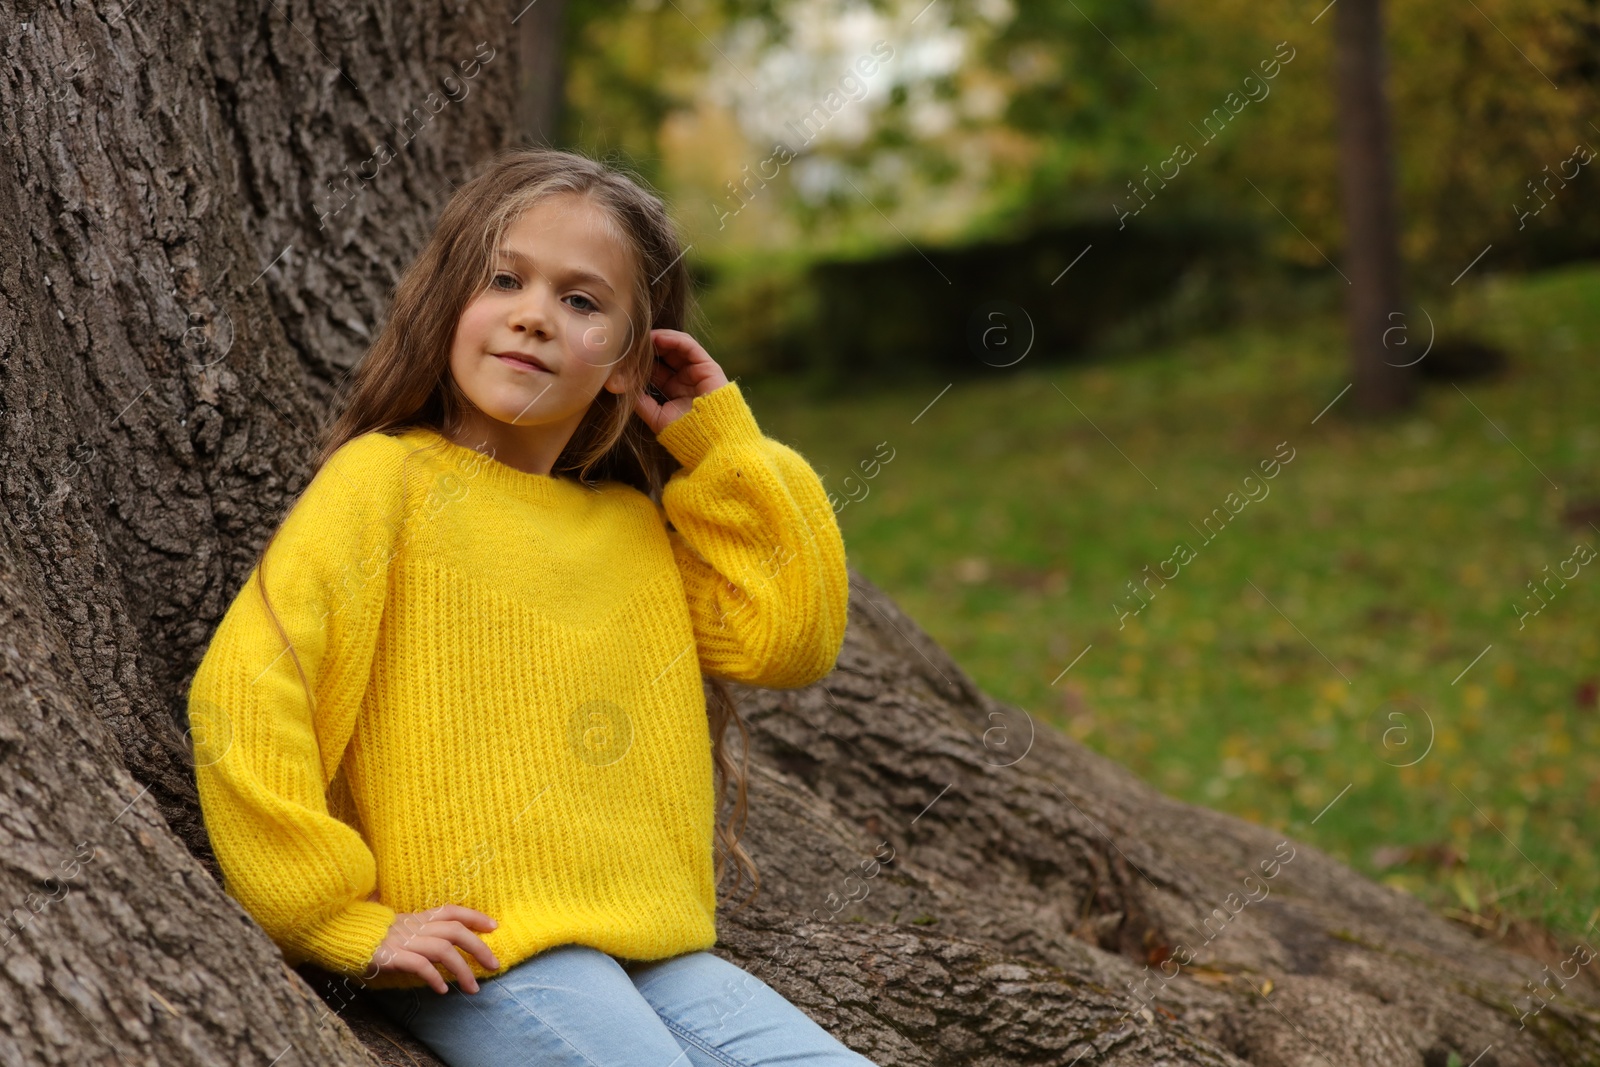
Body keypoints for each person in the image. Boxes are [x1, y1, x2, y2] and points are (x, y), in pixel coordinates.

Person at [186, 147, 872, 1066]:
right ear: (452, 306)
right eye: (504, 279)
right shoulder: (385, 480)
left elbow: (789, 634)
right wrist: (336, 918)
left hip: (655, 951)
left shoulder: (633, 527)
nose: (534, 316)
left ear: (630, 365)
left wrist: (721, 442)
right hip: (488, 951)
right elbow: (246, 695)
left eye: (583, 301)